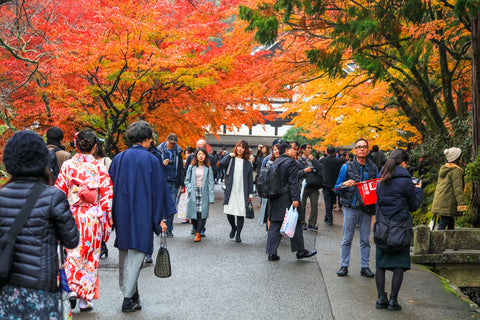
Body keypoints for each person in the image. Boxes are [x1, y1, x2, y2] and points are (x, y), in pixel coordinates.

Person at [0, 131, 79, 319]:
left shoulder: (2, 196)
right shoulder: (53, 196)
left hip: (5, 284)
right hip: (41, 288)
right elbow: (72, 239)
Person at [109, 121, 176, 313]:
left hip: (122, 210)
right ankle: (127, 299)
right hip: (143, 212)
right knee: (138, 254)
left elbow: (109, 187)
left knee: (124, 252)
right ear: (146, 140)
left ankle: (132, 292)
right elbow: (158, 191)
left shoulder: (119, 158)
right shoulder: (152, 160)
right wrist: (160, 218)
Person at [55, 129, 114, 311]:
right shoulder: (99, 168)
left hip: (71, 215)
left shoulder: (67, 166)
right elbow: (107, 199)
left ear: (76, 145)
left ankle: (72, 289)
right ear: (95, 147)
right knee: (90, 257)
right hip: (92, 217)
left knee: (72, 253)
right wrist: (106, 225)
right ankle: (84, 299)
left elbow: (58, 193)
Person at [375, 148, 423, 311]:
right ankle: (393, 301)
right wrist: (418, 190)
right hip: (400, 229)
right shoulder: (406, 182)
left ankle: (381, 298)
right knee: (398, 266)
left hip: (383, 228)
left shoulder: (380, 181)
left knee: (380, 265)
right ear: (403, 163)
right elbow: (413, 206)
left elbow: (379, 204)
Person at [265, 141, 317, 261]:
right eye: (294, 148)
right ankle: (300, 251)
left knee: (274, 225)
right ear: (287, 151)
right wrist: (295, 199)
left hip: (275, 197)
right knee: (296, 223)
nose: (296, 150)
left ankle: (271, 253)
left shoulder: (276, 162)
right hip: (287, 198)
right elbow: (293, 182)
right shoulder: (291, 163)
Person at [334, 138, 378, 278]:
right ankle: (344, 266)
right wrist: (345, 183)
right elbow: (336, 188)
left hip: (367, 208)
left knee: (365, 239)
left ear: (368, 150)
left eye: (364, 147)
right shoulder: (346, 167)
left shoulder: (373, 167)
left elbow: (377, 187)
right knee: (347, 238)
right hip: (351, 206)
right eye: (359, 147)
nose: (362, 149)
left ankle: (365, 267)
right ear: (354, 150)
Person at [219, 139, 254, 243]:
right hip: (231, 189)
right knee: (229, 212)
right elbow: (221, 164)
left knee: (240, 213)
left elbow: (250, 180)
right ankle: (233, 227)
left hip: (242, 191)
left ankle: (238, 234)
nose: (240, 149)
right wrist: (229, 155)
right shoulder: (231, 160)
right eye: (239, 146)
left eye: (243, 147)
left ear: (245, 150)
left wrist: (250, 193)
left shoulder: (248, 164)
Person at [431, 147, 467, 230]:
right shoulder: (456, 171)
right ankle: (437, 242)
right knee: (442, 225)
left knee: (450, 223)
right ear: (457, 158)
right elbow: (457, 188)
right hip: (448, 202)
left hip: (441, 201)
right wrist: (461, 204)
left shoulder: (444, 169)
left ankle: (450, 242)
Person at [184, 148, 215, 242]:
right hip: (193, 192)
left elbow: (211, 183)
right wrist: (189, 189)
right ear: (196, 156)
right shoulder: (191, 167)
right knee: (193, 214)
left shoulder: (208, 168)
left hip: (203, 192)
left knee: (202, 214)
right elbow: (187, 180)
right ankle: (196, 227)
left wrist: (211, 196)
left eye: (203, 154)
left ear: (205, 156)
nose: (201, 156)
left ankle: (198, 234)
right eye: (199, 154)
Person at [157, 133, 184, 237]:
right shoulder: (159, 151)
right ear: (166, 140)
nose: (172, 145)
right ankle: (159, 227)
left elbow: (181, 168)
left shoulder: (178, 151)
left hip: (173, 181)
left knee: (171, 206)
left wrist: (181, 183)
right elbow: (154, 166)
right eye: (170, 143)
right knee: (160, 205)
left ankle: (169, 229)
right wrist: (162, 164)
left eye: (173, 144)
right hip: (161, 181)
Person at [296, 143, 323, 230]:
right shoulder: (298, 161)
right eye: (308, 148)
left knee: (314, 205)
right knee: (302, 205)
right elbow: (296, 173)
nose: (310, 150)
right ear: (303, 150)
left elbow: (321, 168)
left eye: (311, 148)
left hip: (314, 186)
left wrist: (314, 160)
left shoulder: (314, 160)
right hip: (304, 185)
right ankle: (302, 222)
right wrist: (305, 170)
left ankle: (312, 223)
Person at [320, 146, 342, 225]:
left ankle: (329, 218)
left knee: (327, 200)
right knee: (332, 200)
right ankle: (327, 216)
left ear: (326, 152)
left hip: (325, 183)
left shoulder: (323, 160)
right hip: (335, 183)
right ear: (334, 152)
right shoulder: (338, 161)